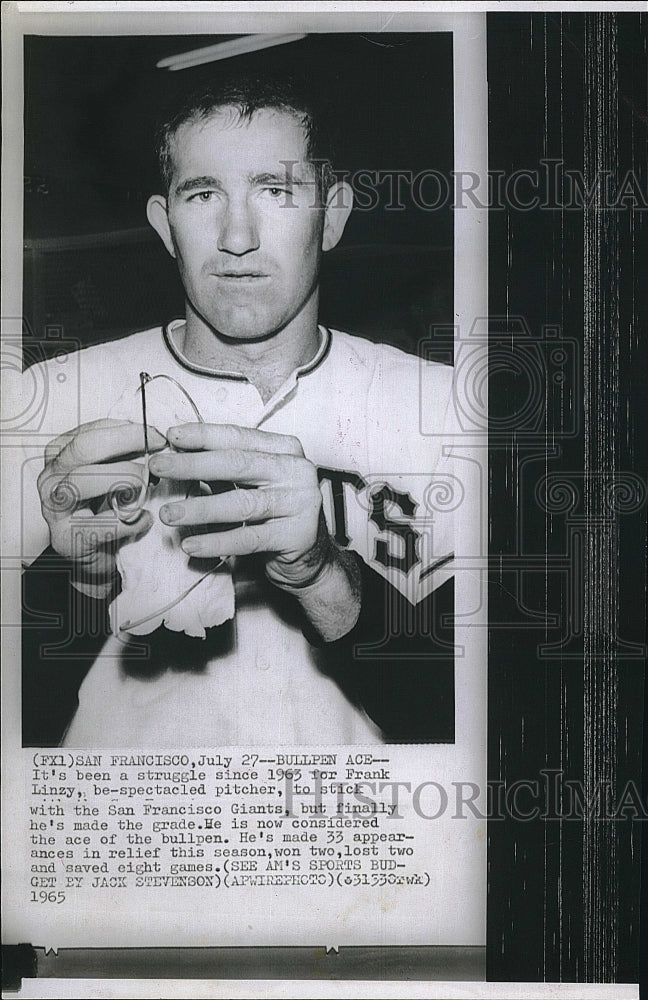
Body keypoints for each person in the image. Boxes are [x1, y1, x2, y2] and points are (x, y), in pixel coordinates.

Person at [20, 74, 457, 747]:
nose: (238, 236)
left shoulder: (444, 413)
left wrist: (320, 571)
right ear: (165, 225)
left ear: (332, 215)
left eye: (276, 191)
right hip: (119, 835)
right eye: (203, 195)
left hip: (358, 834)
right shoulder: (40, 404)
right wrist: (77, 580)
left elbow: (470, 723)